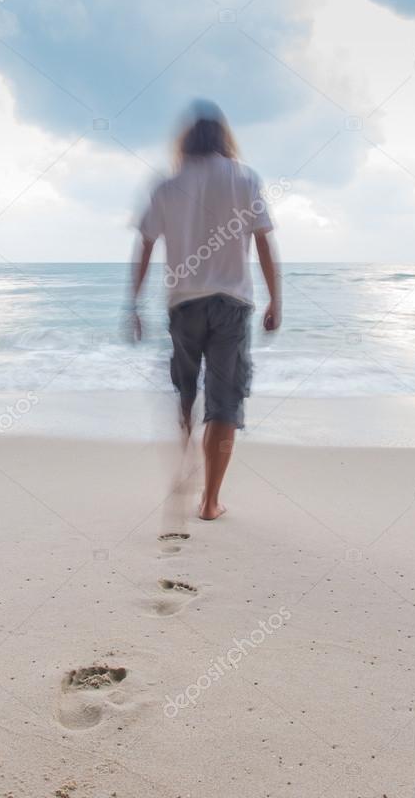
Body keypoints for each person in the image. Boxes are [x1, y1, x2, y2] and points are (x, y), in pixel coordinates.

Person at [130, 99, 281, 521]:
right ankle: (210, 502)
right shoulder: (245, 179)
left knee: (186, 389)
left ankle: (185, 453)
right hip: (232, 304)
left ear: (185, 140)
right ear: (225, 138)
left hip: (183, 303)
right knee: (225, 402)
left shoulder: (167, 185)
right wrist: (275, 299)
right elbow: (265, 241)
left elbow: (144, 243)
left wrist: (133, 303)